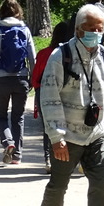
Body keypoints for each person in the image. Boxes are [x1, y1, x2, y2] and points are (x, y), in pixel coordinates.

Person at [37, 4, 104, 206]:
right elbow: (49, 98)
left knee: (100, 185)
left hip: (96, 134)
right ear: (77, 29)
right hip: (67, 136)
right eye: (90, 28)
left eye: (99, 29)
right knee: (59, 185)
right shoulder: (60, 56)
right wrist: (56, 137)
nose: (95, 33)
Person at [0, 0, 35, 165]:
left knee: (0, 116)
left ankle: (8, 142)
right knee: (18, 116)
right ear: (18, 11)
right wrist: (32, 78)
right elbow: (32, 57)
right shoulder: (25, 30)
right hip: (21, 79)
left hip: (1, 79)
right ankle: (17, 156)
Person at [31, 21, 74, 173]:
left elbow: (35, 78)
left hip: (44, 93)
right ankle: (69, 160)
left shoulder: (44, 53)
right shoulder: (73, 55)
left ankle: (49, 160)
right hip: (69, 94)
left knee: (48, 127)